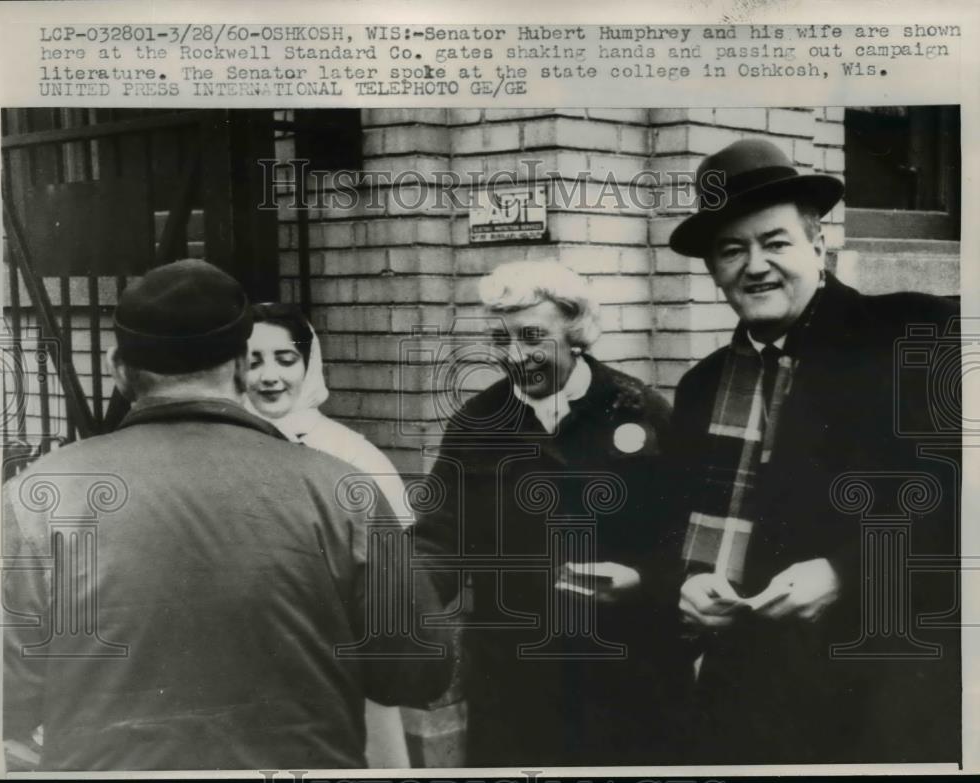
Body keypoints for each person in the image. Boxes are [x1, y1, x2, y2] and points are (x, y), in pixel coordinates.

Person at [1, 259, 452, 771]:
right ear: (241, 364)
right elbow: (418, 670)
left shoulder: (38, 496)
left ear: (116, 367)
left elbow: (5, 695)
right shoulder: (342, 489)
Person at [668, 138, 960, 763]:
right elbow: (671, 522)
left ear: (817, 244)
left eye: (775, 242)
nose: (755, 265)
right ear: (714, 271)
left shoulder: (914, 334)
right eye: (731, 250)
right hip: (744, 699)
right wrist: (687, 584)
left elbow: (957, 500)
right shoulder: (699, 388)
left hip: (881, 689)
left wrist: (845, 573)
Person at [414, 261, 692, 766]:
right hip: (516, 684)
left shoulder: (638, 410)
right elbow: (439, 537)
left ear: (576, 331)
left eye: (532, 337)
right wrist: (401, 589)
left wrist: (643, 579)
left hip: (628, 677)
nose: (515, 355)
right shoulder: (477, 424)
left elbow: (689, 538)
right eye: (501, 340)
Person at [243, 301, 412, 768]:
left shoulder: (352, 455)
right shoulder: (221, 450)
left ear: (308, 364)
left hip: (338, 664)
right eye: (253, 361)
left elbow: (394, 578)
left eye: (285, 359)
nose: (269, 376)